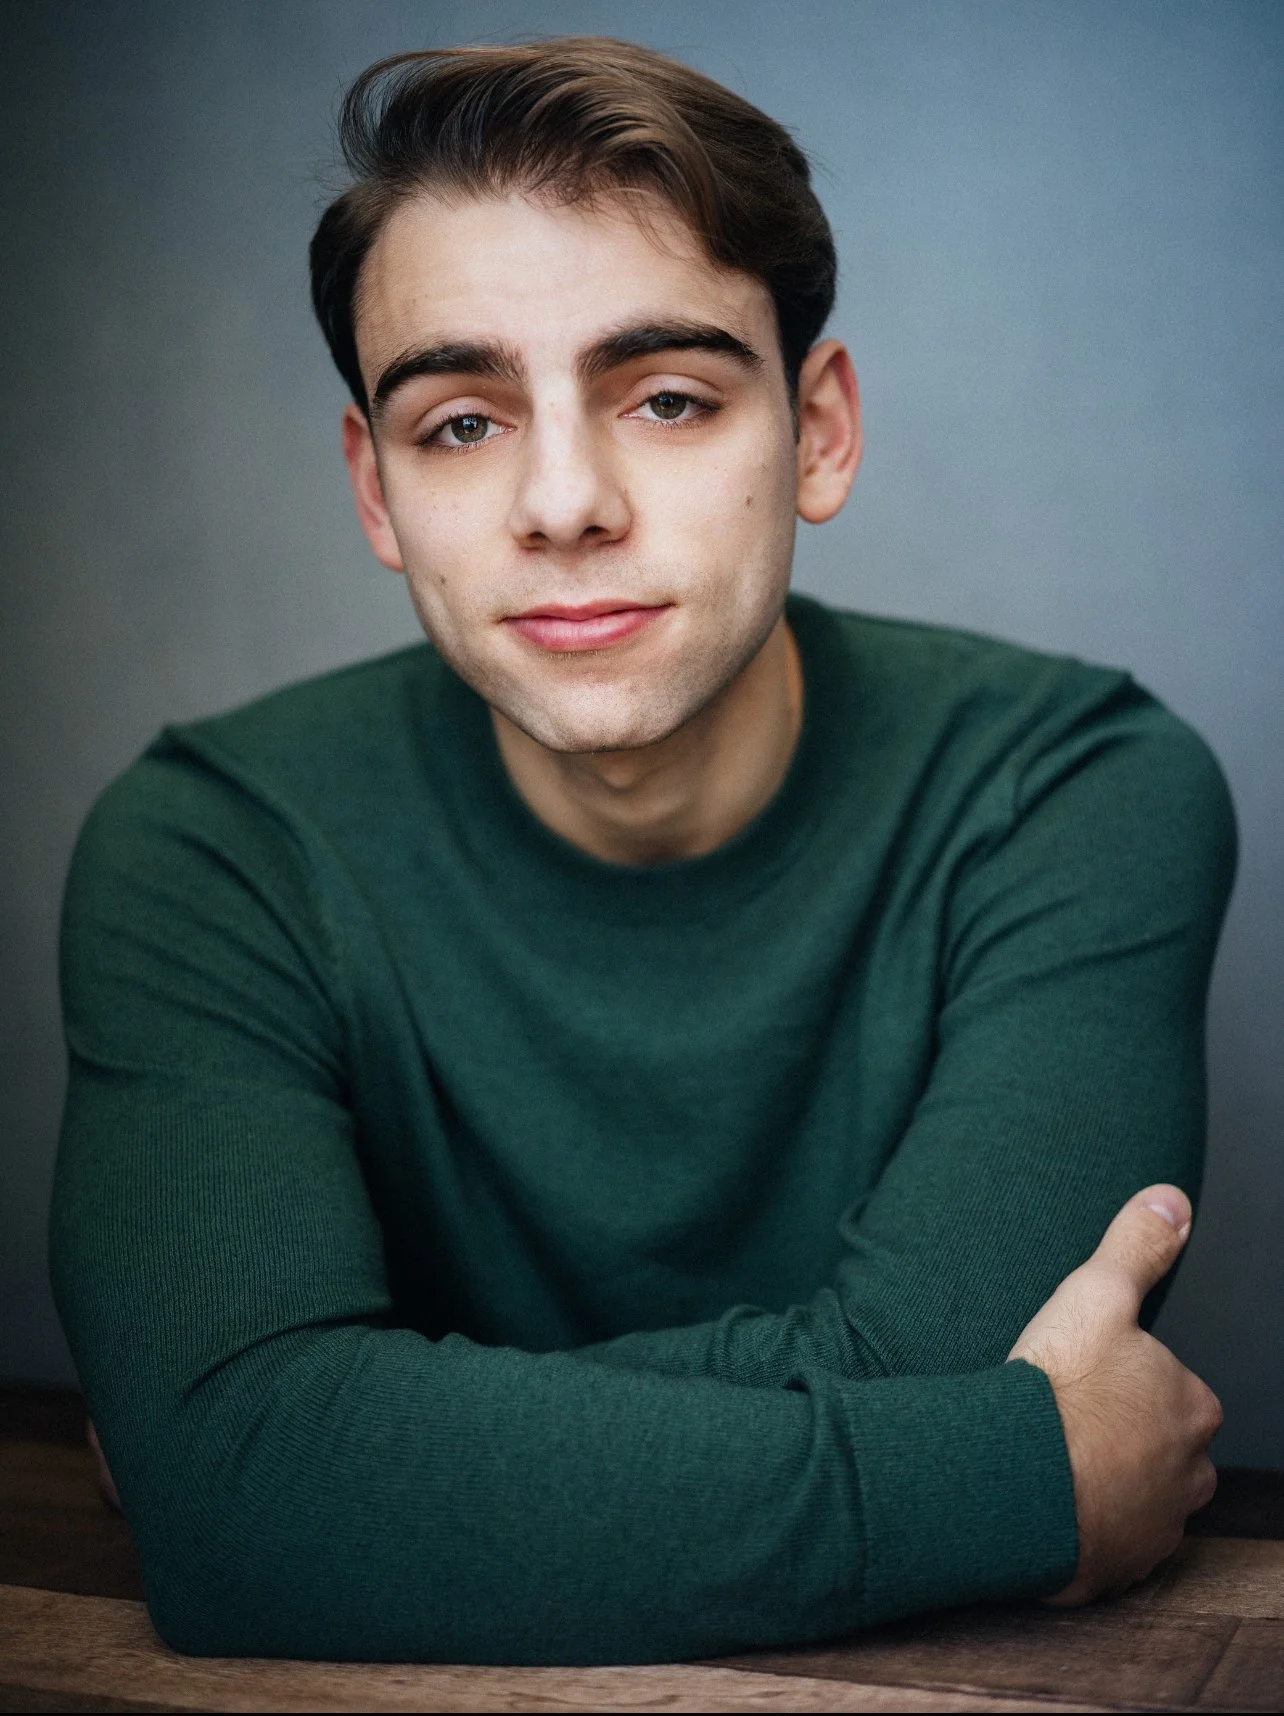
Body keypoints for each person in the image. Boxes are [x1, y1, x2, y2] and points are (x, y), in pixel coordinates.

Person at [51, 38, 1234, 1665]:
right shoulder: (209, 848)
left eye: (667, 397)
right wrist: (1016, 1471)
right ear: (377, 491)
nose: (561, 499)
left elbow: (245, 1471)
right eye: (459, 422)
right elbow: (237, 1491)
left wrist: (305, 1448)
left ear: (817, 432)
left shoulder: (1076, 791)